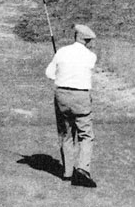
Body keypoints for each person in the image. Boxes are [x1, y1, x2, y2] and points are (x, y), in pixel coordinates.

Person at [45, 24, 98, 188]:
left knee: (66, 134)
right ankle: (82, 169)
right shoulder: (91, 56)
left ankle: (67, 173)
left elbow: (49, 73)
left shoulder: (61, 52)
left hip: (61, 96)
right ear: (86, 40)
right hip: (81, 97)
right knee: (86, 135)